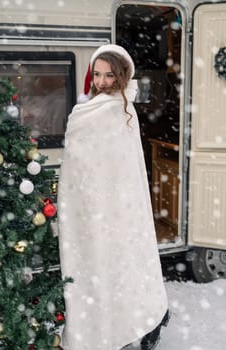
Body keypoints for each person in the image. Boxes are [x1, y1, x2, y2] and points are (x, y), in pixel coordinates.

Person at [57, 44, 169, 350]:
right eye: (97, 74)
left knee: (125, 268)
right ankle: (108, 328)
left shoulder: (122, 110)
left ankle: (142, 321)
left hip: (119, 208)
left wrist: (115, 202)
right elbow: (79, 164)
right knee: (98, 270)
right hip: (91, 207)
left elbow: (124, 170)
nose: (102, 81)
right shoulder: (85, 111)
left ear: (122, 76)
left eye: (109, 75)